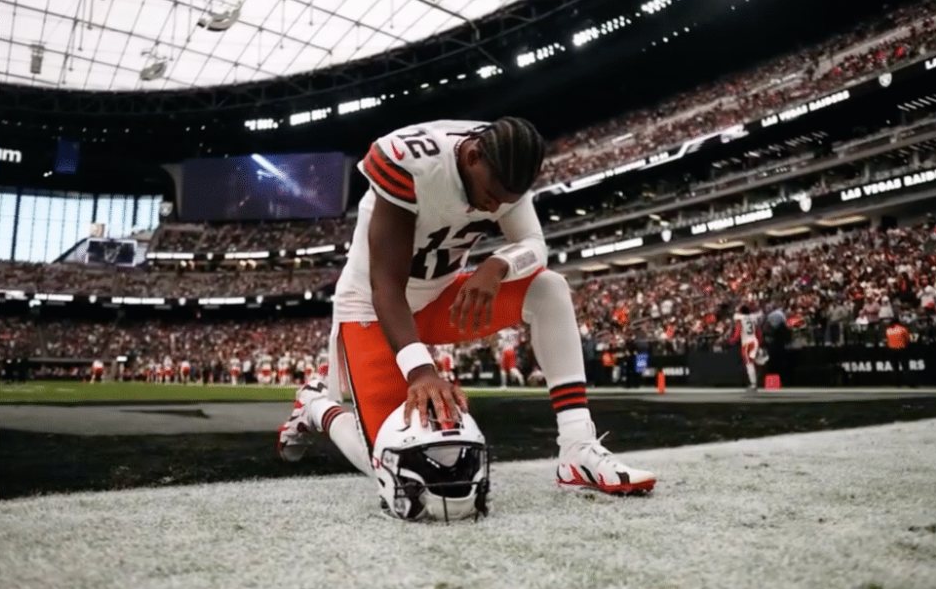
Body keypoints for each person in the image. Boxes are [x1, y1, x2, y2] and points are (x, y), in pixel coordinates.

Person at [277, 118, 655, 503]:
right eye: (491, 195)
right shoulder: (408, 161)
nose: (494, 208)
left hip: (442, 295)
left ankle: (577, 448)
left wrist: (498, 265)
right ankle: (317, 405)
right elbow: (386, 287)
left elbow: (534, 244)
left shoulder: (508, 161)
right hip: (374, 309)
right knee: (392, 467)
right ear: (473, 157)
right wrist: (422, 371)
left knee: (549, 288)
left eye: (505, 200)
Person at [731, 305, 762, 392]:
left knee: (749, 364)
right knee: (752, 363)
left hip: (747, 343)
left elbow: (737, 333)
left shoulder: (740, 319)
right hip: (754, 341)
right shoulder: (753, 318)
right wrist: (760, 342)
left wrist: (731, 341)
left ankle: (753, 384)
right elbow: (758, 331)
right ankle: (755, 381)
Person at [885, 318, 914, 387]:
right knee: (905, 367)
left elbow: (887, 340)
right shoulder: (903, 329)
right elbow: (908, 339)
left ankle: (897, 383)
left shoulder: (888, 330)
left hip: (892, 350)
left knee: (895, 368)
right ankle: (910, 383)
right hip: (902, 349)